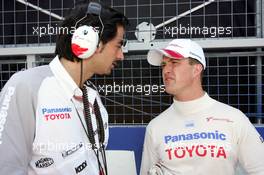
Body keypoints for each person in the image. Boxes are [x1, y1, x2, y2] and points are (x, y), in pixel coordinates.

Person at [0, 1, 128, 175]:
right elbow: (7, 168)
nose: (121, 56)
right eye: (119, 45)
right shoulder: (27, 87)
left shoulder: (91, 96)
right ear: (91, 41)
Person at [140, 39, 264, 175]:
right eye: (164, 65)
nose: (166, 70)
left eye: (174, 63)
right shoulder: (155, 127)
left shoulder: (234, 119)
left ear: (196, 69)